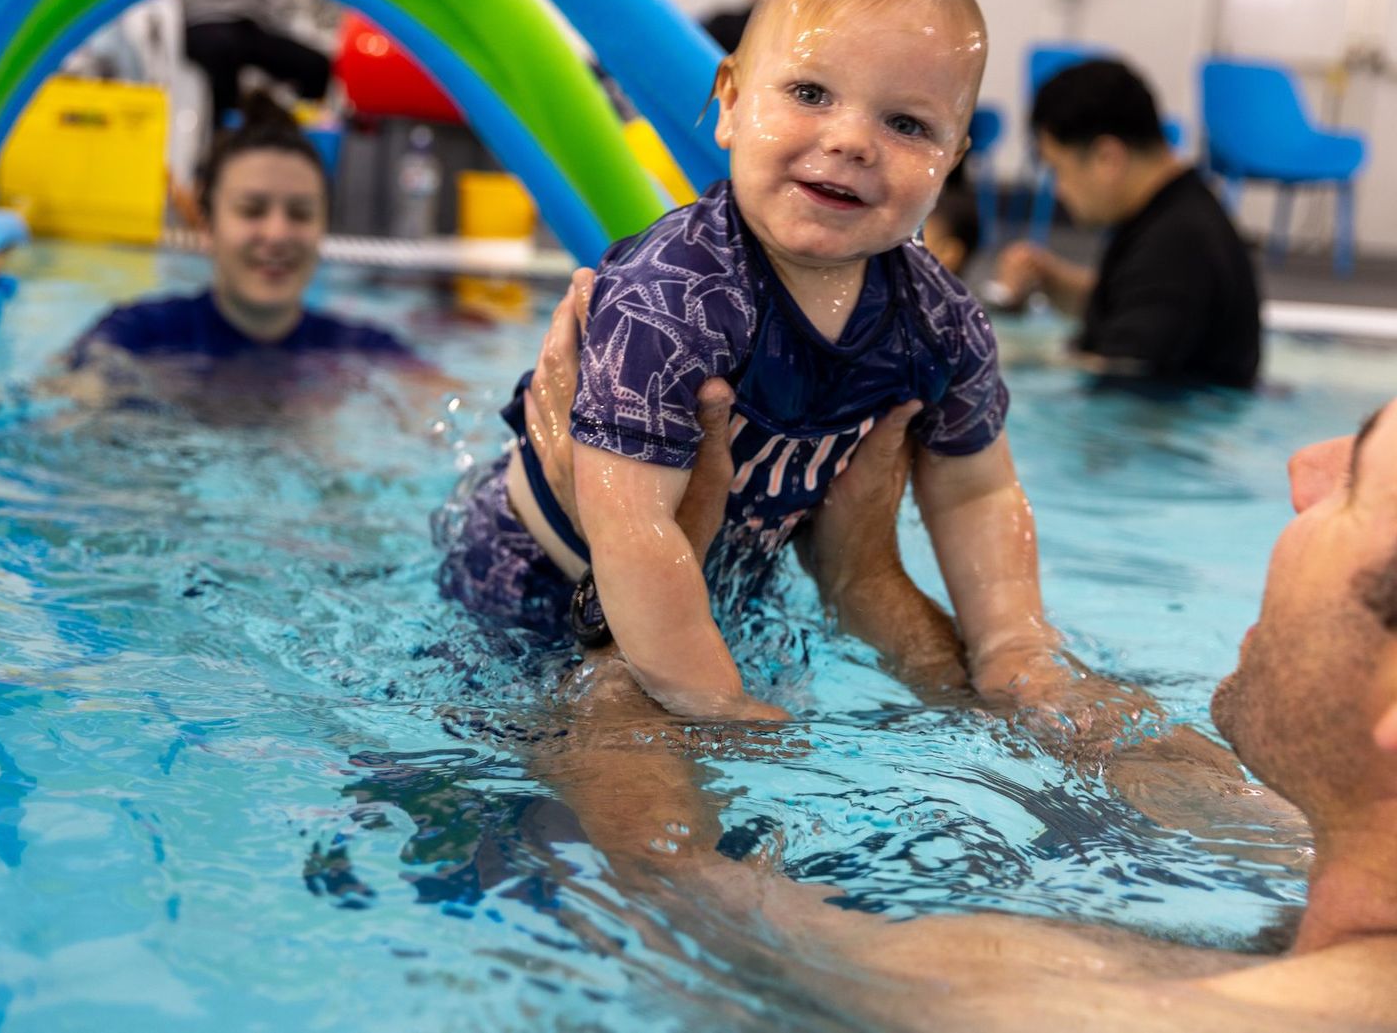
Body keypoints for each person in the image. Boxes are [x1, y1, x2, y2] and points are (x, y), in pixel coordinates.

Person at [530, 395, 1397, 1030]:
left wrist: (624, 599)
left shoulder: (1077, 1008)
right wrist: (872, 586)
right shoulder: (1339, 847)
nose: (1303, 470)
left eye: (1355, 480)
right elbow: (1153, 764)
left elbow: (676, 888)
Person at [436, 0, 1064, 722]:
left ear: (951, 159)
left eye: (907, 123)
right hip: (534, 587)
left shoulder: (938, 320)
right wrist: (720, 705)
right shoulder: (670, 298)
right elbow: (633, 534)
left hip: (710, 592)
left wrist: (1013, 642)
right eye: (810, 92)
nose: (851, 140)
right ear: (730, 101)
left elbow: (980, 491)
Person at [66, 92, 410, 367]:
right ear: (206, 224)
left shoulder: (367, 353)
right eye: (252, 211)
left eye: (301, 214)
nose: (277, 234)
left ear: (324, 227)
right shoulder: (136, 337)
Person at [989, 59, 1262, 389]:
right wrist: (1051, 280)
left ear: (1107, 158)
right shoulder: (1178, 213)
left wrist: (1016, 362)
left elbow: (1122, 370)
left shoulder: (1177, 244)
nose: (1059, 189)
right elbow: (1132, 305)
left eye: (1058, 169)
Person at [181, 0, 338, 129]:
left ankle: (308, 131)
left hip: (251, 22)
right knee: (222, 51)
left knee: (316, 65)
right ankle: (222, 131)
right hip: (204, 18)